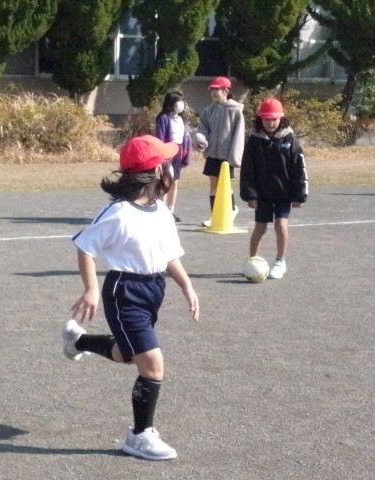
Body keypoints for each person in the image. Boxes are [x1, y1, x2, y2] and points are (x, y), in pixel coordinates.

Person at [62, 135, 200, 461]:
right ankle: (140, 436)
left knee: (127, 355)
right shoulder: (118, 213)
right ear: (154, 172)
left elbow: (169, 254)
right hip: (124, 292)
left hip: (154, 290)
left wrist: (187, 286)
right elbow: (85, 246)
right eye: (164, 162)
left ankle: (78, 341)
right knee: (152, 365)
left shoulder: (162, 212)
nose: (169, 167)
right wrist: (91, 288)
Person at [239, 98, 308, 279]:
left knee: (281, 225)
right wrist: (250, 194)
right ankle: (253, 261)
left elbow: (299, 168)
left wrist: (299, 195)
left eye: (274, 119)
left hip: (283, 194)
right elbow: (247, 169)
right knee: (259, 228)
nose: (270, 123)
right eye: (267, 119)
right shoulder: (254, 140)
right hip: (262, 194)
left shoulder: (290, 138)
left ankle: (280, 261)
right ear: (260, 119)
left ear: (281, 118)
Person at [194, 76, 245, 227]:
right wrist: (201, 139)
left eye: (217, 89)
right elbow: (202, 129)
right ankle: (214, 216)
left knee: (225, 184)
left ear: (226, 91)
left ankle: (231, 209)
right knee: (213, 184)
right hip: (212, 154)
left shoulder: (235, 110)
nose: (214, 92)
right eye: (212, 90)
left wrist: (235, 157)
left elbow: (239, 135)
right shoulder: (209, 110)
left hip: (226, 155)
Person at [154, 91, 192, 222]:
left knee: (175, 181)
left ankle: (171, 210)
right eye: (178, 101)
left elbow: (186, 136)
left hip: (179, 153)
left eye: (182, 101)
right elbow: (159, 138)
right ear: (171, 103)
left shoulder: (181, 119)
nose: (181, 104)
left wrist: (187, 152)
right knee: (165, 181)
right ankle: (161, 209)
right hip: (167, 152)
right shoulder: (164, 118)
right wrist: (161, 154)